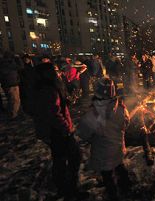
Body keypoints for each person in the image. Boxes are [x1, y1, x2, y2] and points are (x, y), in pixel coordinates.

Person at [33, 63, 88, 200]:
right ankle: (69, 190)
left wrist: (67, 102)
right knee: (72, 157)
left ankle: (64, 188)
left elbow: (55, 106)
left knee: (61, 159)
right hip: (57, 131)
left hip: (54, 131)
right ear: (48, 74)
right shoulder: (48, 90)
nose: (59, 73)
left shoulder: (47, 87)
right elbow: (53, 114)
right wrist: (66, 129)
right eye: (55, 71)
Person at [77, 78, 131, 201]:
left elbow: (83, 133)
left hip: (102, 154)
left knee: (108, 176)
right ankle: (126, 186)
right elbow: (126, 123)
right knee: (119, 166)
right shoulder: (121, 108)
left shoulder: (93, 114)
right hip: (118, 147)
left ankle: (113, 195)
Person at [0, 51, 21, 120]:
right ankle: (13, 115)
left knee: (12, 100)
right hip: (11, 84)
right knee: (14, 100)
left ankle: (13, 114)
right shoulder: (7, 63)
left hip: (10, 83)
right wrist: (18, 59)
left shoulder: (6, 62)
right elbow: (20, 67)